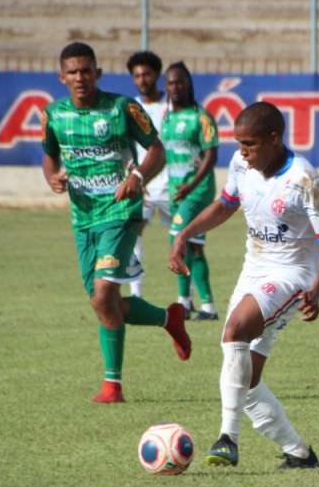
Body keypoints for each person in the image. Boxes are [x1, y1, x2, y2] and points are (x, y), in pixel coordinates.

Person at [169, 101, 319, 469]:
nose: (242, 152)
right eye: (239, 143)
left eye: (249, 144)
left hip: (293, 275)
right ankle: (299, 453)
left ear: (274, 139)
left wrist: (316, 289)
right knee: (245, 378)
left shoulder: (303, 177)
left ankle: (227, 438)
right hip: (254, 269)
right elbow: (225, 205)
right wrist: (186, 233)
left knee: (233, 331)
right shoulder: (240, 164)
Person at [41, 41, 191, 404]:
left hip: (121, 213)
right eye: (73, 72)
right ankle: (167, 318)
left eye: (86, 70)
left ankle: (112, 387)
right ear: (62, 77)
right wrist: (52, 177)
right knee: (101, 302)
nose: (80, 77)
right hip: (83, 218)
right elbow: (49, 156)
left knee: (105, 293)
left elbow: (157, 149)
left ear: (98, 73)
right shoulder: (53, 114)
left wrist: (137, 176)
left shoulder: (123, 108)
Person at [160, 61, 220, 320]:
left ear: (189, 84)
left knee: (178, 238)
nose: (175, 87)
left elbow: (211, 155)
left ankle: (203, 304)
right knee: (192, 246)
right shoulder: (167, 118)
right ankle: (191, 303)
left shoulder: (202, 117)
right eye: (171, 82)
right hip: (176, 191)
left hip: (197, 191)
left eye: (180, 81)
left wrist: (191, 185)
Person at [125, 50, 171, 299]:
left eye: (147, 74)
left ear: (157, 75)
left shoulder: (171, 107)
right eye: (137, 75)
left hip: (171, 185)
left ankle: (186, 299)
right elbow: (128, 148)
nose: (142, 79)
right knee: (134, 233)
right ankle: (136, 293)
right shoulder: (131, 108)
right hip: (142, 184)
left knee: (184, 239)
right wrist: (135, 176)